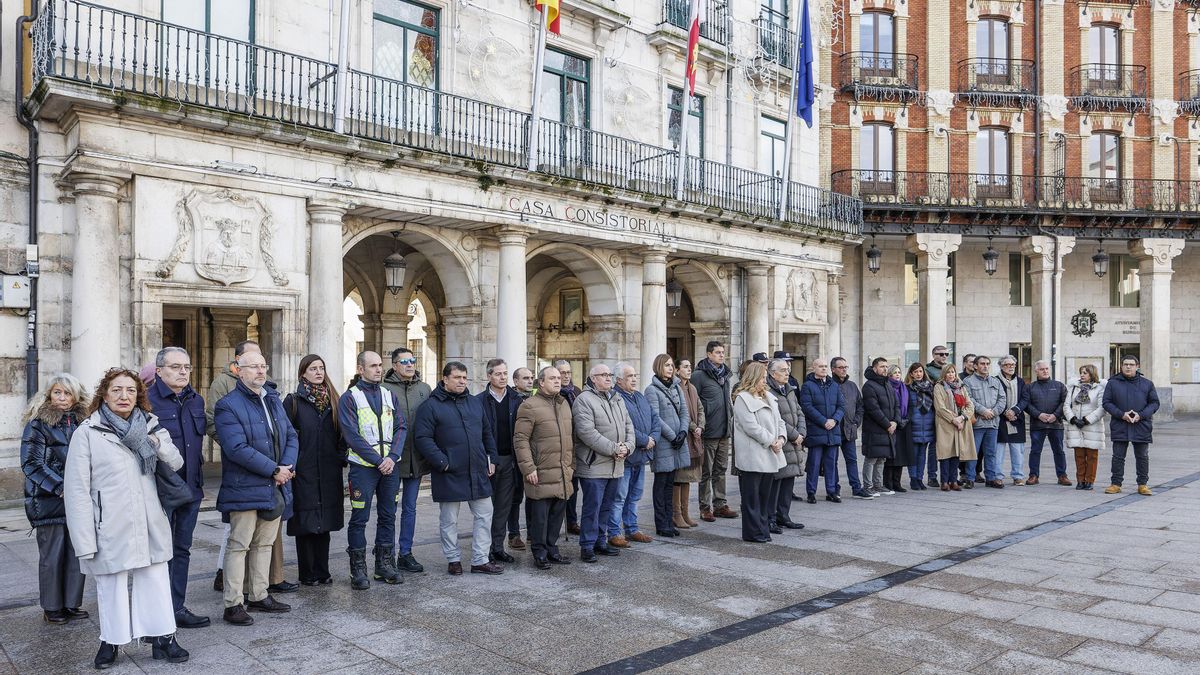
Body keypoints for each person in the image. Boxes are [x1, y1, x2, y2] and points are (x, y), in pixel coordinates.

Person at [64, 368, 189, 668]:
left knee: (155, 579)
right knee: (111, 584)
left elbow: (176, 461)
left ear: (139, 395)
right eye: (117, 390)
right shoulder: (88, 432)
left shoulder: (150, 425)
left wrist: (155, 443)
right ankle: (111, 640)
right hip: (109, 522)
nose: (124, 396)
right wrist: (84, 541)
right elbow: (77, 491)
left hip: (148, 519)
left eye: (131, 390)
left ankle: (164, 638)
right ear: (104, 395)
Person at [214, 350, 298, 625]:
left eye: (263, 366)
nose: (261, 372)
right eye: (253, 367)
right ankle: (233, 603)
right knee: (239, 545)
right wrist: (274, 470)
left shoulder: (272, 399)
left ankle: (259, 595)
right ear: (238, 370)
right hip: (244, 486)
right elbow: (236, 448)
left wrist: (284, 467)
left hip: (275, 484)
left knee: (264, 544)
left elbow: (291, 435)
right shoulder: (228, 405)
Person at [412, 362, 503, 576]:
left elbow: (487, 433)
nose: (462, 381)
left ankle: (480, 560)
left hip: (478, 469)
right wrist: (443, 463)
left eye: (465, 377)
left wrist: (491, 458)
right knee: (449, 519)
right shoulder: (430, 406)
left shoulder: (474, 403)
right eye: (457, 377)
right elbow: (422, 438)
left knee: (484, 514)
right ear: (445, 379)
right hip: (449, 471)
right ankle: (453, 559)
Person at [147, 347, 210, 629]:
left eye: (187, 367)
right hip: (160, 491)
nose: (183, 371)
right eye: (175, 367)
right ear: (159, 371)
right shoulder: (147, 401)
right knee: (158, 554)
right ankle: (155, 612)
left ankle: (176, 608)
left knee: (182, 549)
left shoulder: (196, 400)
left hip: (191, 489)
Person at [21, 373, 90, 626]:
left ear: (76, 396)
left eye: (67, 393)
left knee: (76, 553)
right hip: (49, 499)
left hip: (79, 499)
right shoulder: (38, 424)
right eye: (57, 392)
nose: (62, 397)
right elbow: (31, 464)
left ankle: (71, 603)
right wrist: (62, 488)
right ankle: (52, 607)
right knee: (52, 556)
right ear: (49, 395)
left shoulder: (84, 423)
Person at [338, 351, 406, 588]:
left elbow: (401, 427)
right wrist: (379, 460)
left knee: (388, 515)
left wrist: (393, 456)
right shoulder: (350, 398)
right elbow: (351, 435)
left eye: (380, 365)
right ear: (360, 369)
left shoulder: (389, 394)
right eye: (373, 366)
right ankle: (358, 570)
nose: (378, 369)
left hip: (390, 467)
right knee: (360, 518)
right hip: (364, 468)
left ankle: (384, 565)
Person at [282, 355, 345, 586]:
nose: (318, 372)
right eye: (313, 369)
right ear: (303, 373)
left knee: (324, 523)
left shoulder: (334, 400)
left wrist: (341, 458)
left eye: (321, 368)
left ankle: (323, 570)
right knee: (306, 523)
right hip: (304, 470)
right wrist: (292, 463)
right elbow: (286, 435)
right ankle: (307, 572)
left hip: (329, 470)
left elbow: (342, 433)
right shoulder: (293, 401)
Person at [513, 366, 574, 569]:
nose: (558, 381)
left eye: (559, 378)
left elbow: (570, 439)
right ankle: (539, 552)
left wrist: (571, 465)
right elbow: (520, 439)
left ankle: (552, 549)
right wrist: (528, 468)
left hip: (562, 471)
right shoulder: (529, 406)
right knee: (540, 517)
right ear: (541, 382)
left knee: (557, 515)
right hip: (540, 470)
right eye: (553, 378)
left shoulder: (564, 404)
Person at [572, 363, 634, 563]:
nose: (608, 378)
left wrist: (628, 447)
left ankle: (601, 541)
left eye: (610, 375)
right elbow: (587, 433)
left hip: (616, 465)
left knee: (606, 506)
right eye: (603, 375)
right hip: (594, 465)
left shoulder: (617, 398)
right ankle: (587, 546)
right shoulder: (584, 400)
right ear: (593, 378)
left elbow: (628, 425)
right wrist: (615, 448)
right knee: (593, 507)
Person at [381, 347, 431, 573]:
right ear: (394, 366)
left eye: (412, 360)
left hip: (416, 459)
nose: (410, 365)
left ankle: (406, 552)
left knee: (410, 508)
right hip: (391, 460)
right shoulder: (383, 389)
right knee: (388, 509)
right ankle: (385, 553)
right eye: (404, 362)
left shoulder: (424, 389)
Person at [732, 362, 787, 543]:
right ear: (754, 377)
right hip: (753, 456)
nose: (766, 381)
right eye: (763, 377)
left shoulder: (769, 397)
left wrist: (780, 439)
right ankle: (752, 532)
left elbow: (780, 421)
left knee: (765, 497)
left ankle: (763, 529)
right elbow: (750, 427)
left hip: (770, 453)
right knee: (751, 498)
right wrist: (771, 441)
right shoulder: (742, 398)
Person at [477, 359, 523, 564]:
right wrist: (486, 459)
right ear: (489, 376)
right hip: (488, 461)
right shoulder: (478, 401)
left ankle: (498, 547)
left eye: (505, 373)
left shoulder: (516, 399)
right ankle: (484, 549)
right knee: (486, 508)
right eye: (498, 374)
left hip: (509, 460)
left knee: (503, 507)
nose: (503, 377)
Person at [611, 363, 661, 545]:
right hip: (626, 457)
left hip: (642, 456)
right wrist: (644, 440)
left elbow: (655, 418)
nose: (634, 379)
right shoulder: (616, 398)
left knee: (635, 495)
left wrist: (653, 438)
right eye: (629, 376)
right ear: (618, 380)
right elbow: (624, 427)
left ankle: (632, 528)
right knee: (619, 497)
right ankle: (615, 532)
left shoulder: (639, 396)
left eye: (634, 375)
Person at [644, 354, 690, 538]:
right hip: (664, 442)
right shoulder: (651, 390)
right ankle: (661, 523)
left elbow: (684, 413)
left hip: (677, 441)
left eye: (672, 365)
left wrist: (683, 432)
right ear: (658, 367)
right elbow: (656, 417)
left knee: (670, 484)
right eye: (667, 365)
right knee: (661, 483)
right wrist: (673, 436)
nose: (670, 368)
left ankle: (670, 521)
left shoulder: (677, 387)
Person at [691, 341, 737, 521]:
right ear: (709, 354)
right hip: (708, 431)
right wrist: (699, 427)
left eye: (723, 352)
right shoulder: (699, 376)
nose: (721, 355)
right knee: (706, 472)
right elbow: (695, 405)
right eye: (717, 352)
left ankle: (720, 504)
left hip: (725, 431)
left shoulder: (725, 375)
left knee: (721, 469)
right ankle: (705, 507)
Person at [1102, 356, 1159, 495]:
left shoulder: (1147, 384)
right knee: (1118, 456)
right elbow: (1107, 402)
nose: (1128, 367)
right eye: (1125, 364)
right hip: (1120, 424)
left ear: (1137, 366)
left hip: (1141, 425)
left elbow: (1154, 403)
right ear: (1121, 366)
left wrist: (1141, 415)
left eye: (1131, 364)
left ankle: (1143, 484)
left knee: (1142, 457)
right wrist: (1121, 414)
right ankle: (1115, 484)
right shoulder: (1112, 383)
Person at [799, 359, 845, 503]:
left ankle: (831, 492)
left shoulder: (834, 385)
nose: (824, 369)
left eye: (825, 366)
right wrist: (823, 421)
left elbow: (841, 406)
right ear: (814, 368)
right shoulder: (807, 386)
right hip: (816, 430)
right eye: (821, 366)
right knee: (814, 463)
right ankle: (811, 492)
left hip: (833, 431)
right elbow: (807, 407)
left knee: (831, 463)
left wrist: (834, 420)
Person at [766, 358, 805, 530]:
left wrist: (802, 432)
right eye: (782, 370)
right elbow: (777, 418)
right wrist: (794, 434)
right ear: (773, 373)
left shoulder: (789, 389)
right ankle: (771, 518)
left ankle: (784, 515)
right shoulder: (768, 391)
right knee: (776, 483)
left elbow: (799, 411)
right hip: (781, 441)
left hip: (794, 442)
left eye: (787, 369)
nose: (787, 372)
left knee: (788, 482)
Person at [963, 355, 1007, 489]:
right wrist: (983, 411)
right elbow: (968, 399)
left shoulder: (996, 381)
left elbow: (1002, 399)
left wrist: (993, 412)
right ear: (975, 366)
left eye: (987, 364)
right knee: (973, 452)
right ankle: (969, 478)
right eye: (982, 363)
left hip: (993, 423)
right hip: (977, 423)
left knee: (991, 452)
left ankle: (991, 478)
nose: (985, 366)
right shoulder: (968, 381)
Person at [1027, 360, 1071, 486]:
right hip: (1037, 425)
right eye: (1042, 369)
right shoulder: (1030, 387)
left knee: (1059, 451)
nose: (1045, 371)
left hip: (1056, 425)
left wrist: (1055, 415)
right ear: (1036, 371)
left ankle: (1062, 475)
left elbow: (1065, 402)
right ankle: (1033, 475)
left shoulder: (1059, 385)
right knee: (1035, 451)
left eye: (1046, 369)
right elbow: (1027, 404)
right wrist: (1038, 414)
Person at [933, 365, 977, 492]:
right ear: (944, 374)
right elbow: (940, 408)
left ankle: (954, 480)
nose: (951, 374)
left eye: (953, 372)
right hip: (946, 424)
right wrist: (954, 420)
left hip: (961, 424)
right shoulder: (939, 387)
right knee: (945, 453)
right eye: (948, 372)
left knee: (957, 453)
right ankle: (944, 481)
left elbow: (970, 405)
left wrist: (962, 418)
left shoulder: (961, 387)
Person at [831, 357, 868, 499]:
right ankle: (834, 488)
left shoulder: (852, 385)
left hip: (850, 429)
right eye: (840, 367)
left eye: (845, 367)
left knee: (852, 460)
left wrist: (856, 422)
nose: (844, 370)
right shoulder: (829, 384)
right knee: (832, 461)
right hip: (834, 430)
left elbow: (860, 406)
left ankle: (856, 488)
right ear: (833, 369)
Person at [674, 359, 705, 528]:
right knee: (679, 477)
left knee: (688, 478)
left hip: (695, 437)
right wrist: (693, 427)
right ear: (677, 370)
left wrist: (700, 426)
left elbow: (700, 409)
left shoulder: (692, 388)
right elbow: (681, 411)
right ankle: (677, 514)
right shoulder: (676, 388)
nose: (689, 369)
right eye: (685, 367)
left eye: (690, 367)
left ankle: (685, 513)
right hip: (683, 436)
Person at [860, 358, 898, 498]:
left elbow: (896, 405)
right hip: (874, 428)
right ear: (874, 368)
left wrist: (895, 422)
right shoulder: (869, 386)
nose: (885, 369)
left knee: (882, 458)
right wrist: (887, 424)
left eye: (886, 366)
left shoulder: (887, 384)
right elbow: (873, 409)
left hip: (888, 428)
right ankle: (868, 486)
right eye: (882, 366)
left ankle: (878, 485)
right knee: (871, 458)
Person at [1065, 364, 1107, 491]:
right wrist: (1072, 418)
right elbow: (1067, 405)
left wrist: (1087, 420)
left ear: (1092, 374)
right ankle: (1080, 480)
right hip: (1076, 425)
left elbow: (1102, 407)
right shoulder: (1073, 388)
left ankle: (1089, 480)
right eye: (1081, 372)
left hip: (1092, 426)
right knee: (1079, 455)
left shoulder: (1100, 388)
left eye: (1085, 373)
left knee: (1092, 455)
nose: (1082, 375)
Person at [555, 359, 584, 536]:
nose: (566, 376)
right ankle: (556, 523)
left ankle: (572, 521)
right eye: (562, 373)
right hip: (559, 446)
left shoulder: (576, 392)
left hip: (575, 447)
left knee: (573, 487)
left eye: (568, 372)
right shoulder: (554, 393)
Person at [997, 355, 1030, 486]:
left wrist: (1014, 410)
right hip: (1000, 419)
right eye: (1007, 365)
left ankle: (1017, 476)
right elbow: (995, 398)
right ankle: (997, 475)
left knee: (1017, 450)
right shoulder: (995, 380)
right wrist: (1006, 411)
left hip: (1016, 420)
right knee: (998, 450)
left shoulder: (1021, 382)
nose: (1010, 367)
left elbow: (1025, 399)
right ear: (1000, 366)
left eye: (1012, 365)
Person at [883, 364, 914, 493]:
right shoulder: (887, 387)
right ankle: (888, 483)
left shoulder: (904, 387)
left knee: (901, 456)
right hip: (892, 426)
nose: (897, 374)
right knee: (891, 457)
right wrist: (895, 421)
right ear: (889, 375)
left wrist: (906, 420)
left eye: (899, 372)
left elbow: (910, 405)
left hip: (904, 425)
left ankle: (897, 482)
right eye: (895, 372)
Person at [904, 363, 936, 490]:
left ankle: (920, 478)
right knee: (914, 454)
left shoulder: (930, 388)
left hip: (928, 424)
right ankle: (913, 479)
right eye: (916, 372)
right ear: (911, 374)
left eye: (920, 371)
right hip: (913, 425)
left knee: (922, 454)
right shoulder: (907, 388)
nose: (918, 374)